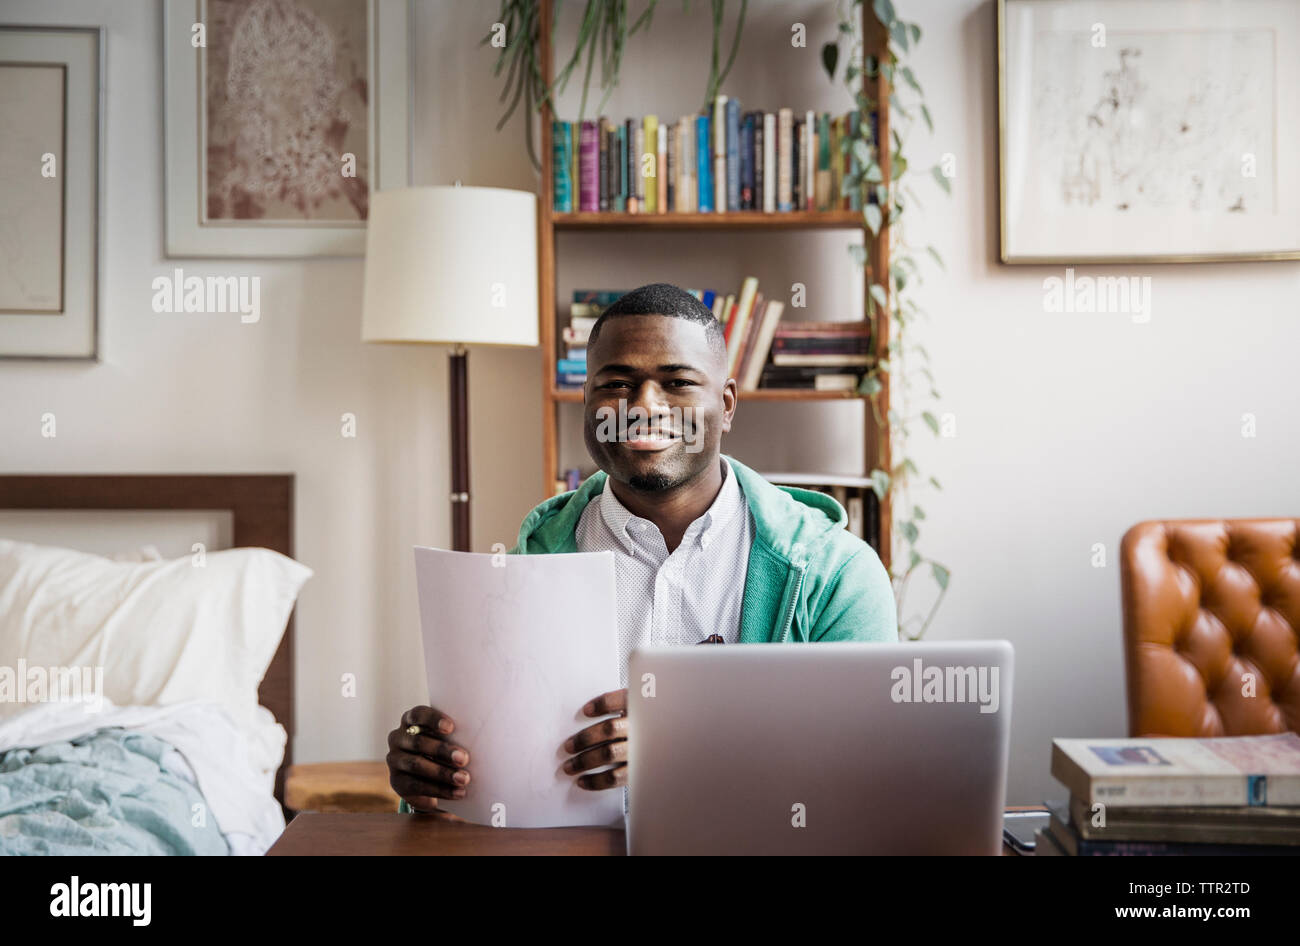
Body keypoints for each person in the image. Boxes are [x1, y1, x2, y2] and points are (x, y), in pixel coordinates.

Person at [388, 283, 898, 816]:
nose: (643, 406)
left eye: (677, 382)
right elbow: (485, 801)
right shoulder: (523, 569)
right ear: (587, 402)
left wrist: (697, 749)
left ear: (724, 407)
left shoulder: (835, 573)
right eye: (617, 384)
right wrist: (430, 787)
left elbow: (869, 779)